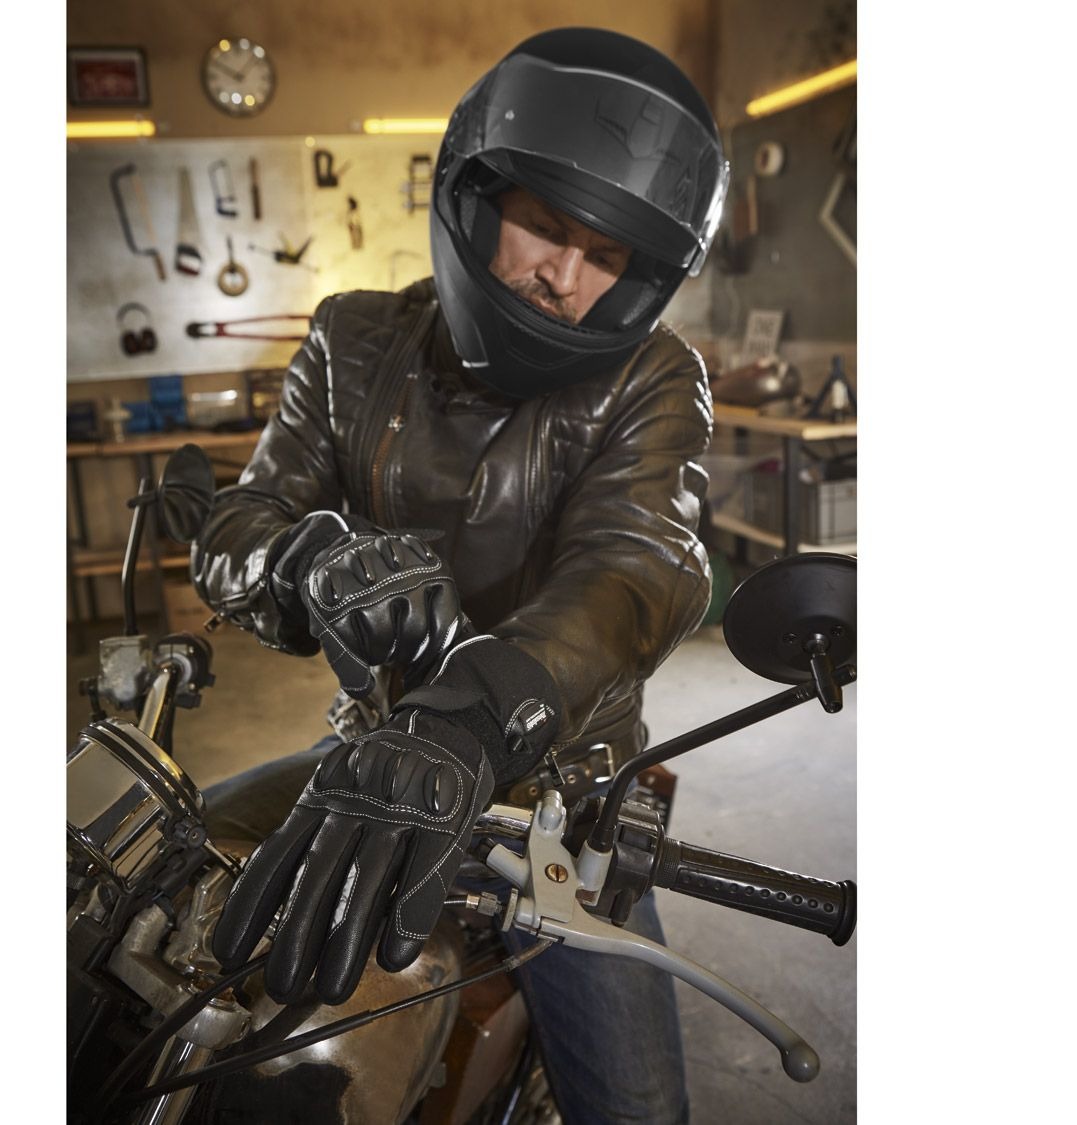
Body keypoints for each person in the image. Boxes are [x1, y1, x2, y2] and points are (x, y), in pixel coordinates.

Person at [191, 26, 729, 1125]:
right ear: (476, 200)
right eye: (547, 226)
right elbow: (241, 520)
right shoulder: (349, 340)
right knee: (150, 900)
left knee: (639, 1111)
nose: (564, 278)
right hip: (370, 756)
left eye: (607, 255)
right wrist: (302, 562)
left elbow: (635, 568)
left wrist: (479, 711)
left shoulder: (653, 377)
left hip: (563, 810)